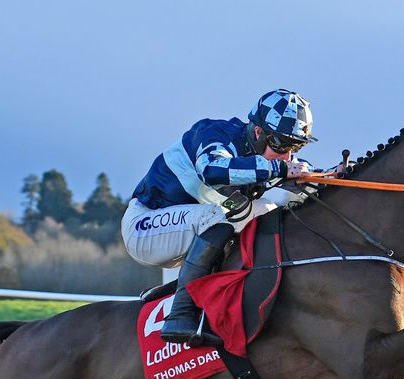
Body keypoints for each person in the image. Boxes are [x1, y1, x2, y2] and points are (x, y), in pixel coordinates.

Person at [123, 89, 319, 346]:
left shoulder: (269, 156)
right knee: (214, 216)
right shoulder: (214, 133)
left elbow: (295, 175)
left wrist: (332, 177)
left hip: (186, 234)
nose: (287, 156)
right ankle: (180, 314)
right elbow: (211, 169)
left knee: (269, 209)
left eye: (296, 147)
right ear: (258, 132)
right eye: (282, 144)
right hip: (145, 226)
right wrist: (280, 170)